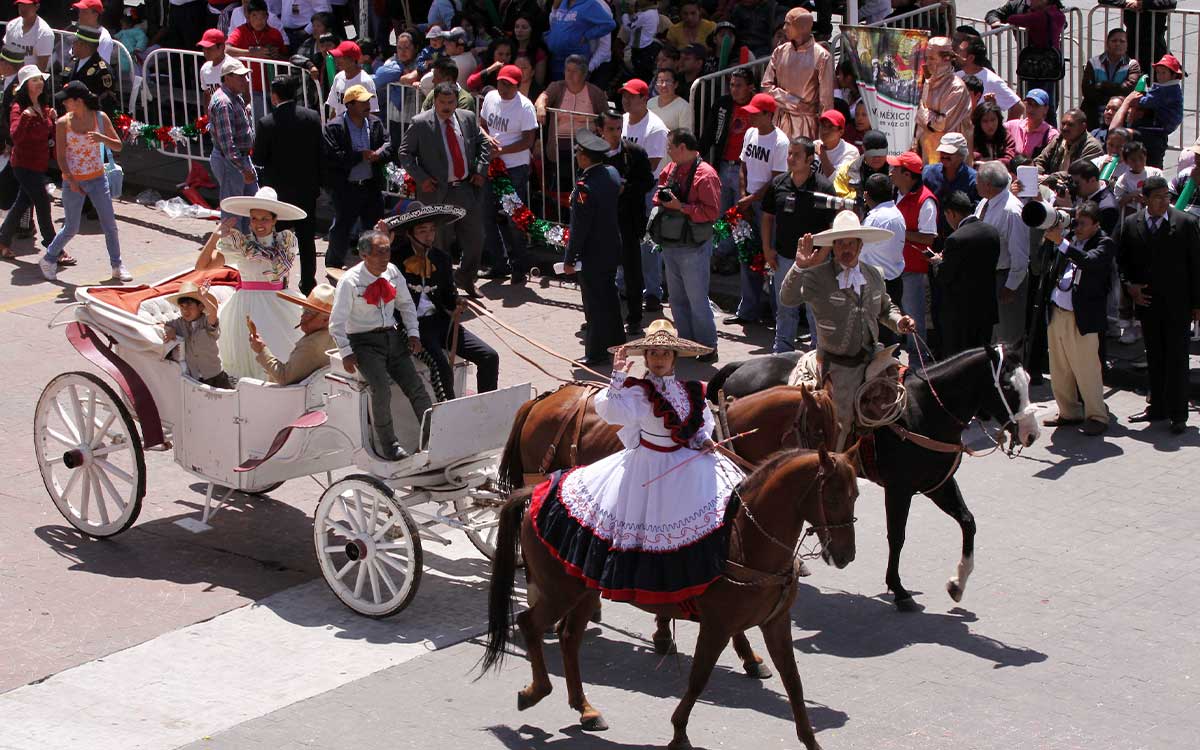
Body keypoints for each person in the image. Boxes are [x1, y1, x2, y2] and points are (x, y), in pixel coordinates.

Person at [528, 320, 744, 606]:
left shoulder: (688, 390)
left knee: (731, 497)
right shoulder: (636, 392)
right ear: (645, 357)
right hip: (648, 466)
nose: (658, 359)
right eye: (653, 353)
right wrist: (616, 377)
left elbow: (700, 422)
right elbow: (612, 412)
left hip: (687, 461)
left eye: (665, 353)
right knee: (653, 526)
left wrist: (703, 439)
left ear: (674, 357)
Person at [779, 210, 916, 449]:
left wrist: (899, 321)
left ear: (860, 245)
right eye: (840, 243)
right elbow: (787, 299)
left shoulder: (874, 274)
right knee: (840, 421)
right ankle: (834, 466)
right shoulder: (816, 276)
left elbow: (885, 308)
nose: (845, 248)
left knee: (905, 397)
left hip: (874, 356)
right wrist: (799, 267)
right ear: (833, 247)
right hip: (839, 364)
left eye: (850, 243)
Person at [329, 228, 433, 461]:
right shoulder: (349, 282)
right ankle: (390, 445)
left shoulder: (393, 272)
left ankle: (432, 436)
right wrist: (346, 352)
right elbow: (336, 323)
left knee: (415, 386)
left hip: (393, 338)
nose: (385, 258)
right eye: (379, 253)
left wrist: (414, 334)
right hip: (364, 343)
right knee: (381, 389)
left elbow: (406, 305)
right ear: (364, 255)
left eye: (387, 252)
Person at [386, 203, 499, 399]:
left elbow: (448, 295)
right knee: (442, 368)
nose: (429, 236)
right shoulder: (392, 261)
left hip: (441, 323)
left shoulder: (442, 259)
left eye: (432, 230)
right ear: (410, 234)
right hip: (410, 328)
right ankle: (448, 416)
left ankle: (486, 409)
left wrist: (456, 300)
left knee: (489, 356)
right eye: (422, 231)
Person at [1118, 176, 1200, 435]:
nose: (1164, 201)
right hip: (1148, 303)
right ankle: (1157, 407)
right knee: (1154, 357)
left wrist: (1197, 304)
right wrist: (1130, 287)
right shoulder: (1132, 225)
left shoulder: (1185, 223)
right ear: (1146, 199)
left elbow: (1196, 266)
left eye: (1167, 196)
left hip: (1178, 305)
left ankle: (1178, 415)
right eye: (1158, 197)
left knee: (1177, 359)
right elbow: (1123, 263)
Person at [195, 190, 305, 379]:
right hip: (245, 308)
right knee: (247, 359)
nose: (258, 224)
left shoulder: (286, 242)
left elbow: (280, 272)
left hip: (279, 303)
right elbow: (201, 267)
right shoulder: (240, 245)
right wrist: (215, 237)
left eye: (264, 219)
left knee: (285, 357)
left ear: (274, 220)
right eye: (254, 218)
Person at [400, 81, 490, 298]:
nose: (447, 107)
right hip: (436, 192)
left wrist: (480, 169)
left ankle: (466, 278)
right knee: (439, 243)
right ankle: (444, 286)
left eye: (451, 102)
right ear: (435, 101)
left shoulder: (467, 118)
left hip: (465, 189)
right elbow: (405, 153)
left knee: (476, 238)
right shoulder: (421, 123)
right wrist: (421, 178)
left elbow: (483, 143)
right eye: (442, 102)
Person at [37, 80, 128, 282]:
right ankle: (49, 258)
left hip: (97, 179)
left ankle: (117, 265)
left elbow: (118, 146)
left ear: (78, 101)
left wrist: (102, 139)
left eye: (67, 101)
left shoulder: (100, 118)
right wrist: (71, 180)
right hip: (73, 182)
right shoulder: (63, 123)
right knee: (71, 227)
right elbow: (60, 157)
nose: (64, 104)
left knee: (109, 224)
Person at [1039, 202, 1115, 437]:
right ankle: (1069, 411)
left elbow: (1090, 262)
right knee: (1059, 367)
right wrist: (1052, 241)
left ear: (1096, 224)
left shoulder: (1104, 243)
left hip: (1082, 317)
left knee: (1087, 368)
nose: (1077, 227)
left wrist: (1061, 243)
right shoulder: (1069, 238)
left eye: (1083, 223)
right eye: (1076, 222)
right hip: (1058, 311)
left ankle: (1096, 415)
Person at [652, 128, 722, 362]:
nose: (668, 151)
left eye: (670, 147)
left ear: (682, 147)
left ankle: (708, 347)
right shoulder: (671, 169)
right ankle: (686, 344)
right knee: (676, 299)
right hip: (671, 244)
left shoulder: (706, 174)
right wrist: (664, 199)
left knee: (697, 299)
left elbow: (711, 213)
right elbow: (657, 195)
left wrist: (681, 207)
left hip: (694, 247)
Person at [761, 136, 837, 353]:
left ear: (810, 159)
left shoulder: (824, 187)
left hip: (817, 260)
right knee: (785, 305)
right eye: (789, 154)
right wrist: (767, 248)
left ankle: (818, 352)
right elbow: (767, 217)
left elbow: (833, 226)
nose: (791, 158)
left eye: (797, 155)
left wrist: (823, 254)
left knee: (815, 309)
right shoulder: (778, 184)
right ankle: (783, 350)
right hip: (784, 257)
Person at [252, 75, 322, 294]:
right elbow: (320, 152)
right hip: (305, 190)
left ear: (274, 96)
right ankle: (309, 283)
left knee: (277, 239)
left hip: (279, 194)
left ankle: (278, 280)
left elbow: (259, 159)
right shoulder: (311, 117)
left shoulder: (267, 123)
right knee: (306, 239)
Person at [562, 129, 625, 367]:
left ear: (586, 158)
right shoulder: (611, 173)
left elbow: (579, 228)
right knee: (610, 298)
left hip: (593, 253)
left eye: (579, 152)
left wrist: (570, 258)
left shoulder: (584, 188)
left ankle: (597, 352)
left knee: (594, 304)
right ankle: (617, 342)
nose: (577, 156)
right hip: (611, 246)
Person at [726, 92, 787, 328]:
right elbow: (743, 166)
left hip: (767, 207)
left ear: (768, 115)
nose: (750, 117)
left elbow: (775, 180)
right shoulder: (750, 133)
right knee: (747, 255)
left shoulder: (780, 142)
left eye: (755, 114)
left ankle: (775, 313)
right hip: (748, 203)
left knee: (770, 258)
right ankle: (748, 310)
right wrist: (743, 196)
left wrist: (750, 199)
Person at [320, 84, 390, 271]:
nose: (367, 105)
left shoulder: (375, 123)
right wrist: (360, 156)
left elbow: (388, 144)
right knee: (342, 227)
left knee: (373, 229)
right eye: (362, 102)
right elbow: (333, 156)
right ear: (349, 105)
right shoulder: (334, 127)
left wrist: (378, 155)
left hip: (370, 186)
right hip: (346, 187)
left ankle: (372, 264)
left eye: (368, 101)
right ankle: (333, 264)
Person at [479, 64, 537, 285]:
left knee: (514, 217)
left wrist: (501, 151)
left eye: (508, 85)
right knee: (487, 214)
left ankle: (519, 266)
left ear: (517, 86)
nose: (503, 88)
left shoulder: (525, 107)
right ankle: (498, 263)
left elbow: (528, 140)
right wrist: (488, 139)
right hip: (491, 165)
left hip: (514, 167)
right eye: (501, 82)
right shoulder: (491, 98)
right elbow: (482, 125)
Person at [599, 109, 654, 336]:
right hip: (602, 221)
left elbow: (647, 181)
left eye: (619, 128)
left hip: (628, 221)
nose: (615, 133)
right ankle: (599, 315)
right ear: (600, 130)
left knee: (632, 271)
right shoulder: (594, 153)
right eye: (610, 129)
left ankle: (634, 318)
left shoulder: (635, 153)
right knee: (601, 271)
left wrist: (626, 189)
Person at [621, 78, 670, 312]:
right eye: (624, 95)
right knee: (623, 236)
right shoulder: (620, 121)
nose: (626, 99)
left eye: (631, 95)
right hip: (623, 187)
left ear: (644, 99)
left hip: (646, 188)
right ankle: (623, 285)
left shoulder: (656, 127)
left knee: (648, 240)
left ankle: (652, 292)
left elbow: (650, 165)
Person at [938, 190, 1002, 357]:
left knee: (961, 359)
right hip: (986, 308)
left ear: (951, 213)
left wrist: (939, 263)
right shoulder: (992, 232)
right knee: (982, 356)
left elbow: (946, 276)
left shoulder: (955, 239)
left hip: (961, 313)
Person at [0, 64, 53, 263]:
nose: (39, 83)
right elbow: (16, 136)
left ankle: (3, 240)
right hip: (24, 165)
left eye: (40, 79)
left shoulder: (44, 106)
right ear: (25, 86)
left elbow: (46, 134)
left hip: (39, 164)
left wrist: (52, 120)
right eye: (34, 80)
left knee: (22, 203)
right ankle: (53, 246)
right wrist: (24, 118)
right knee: (43, 202)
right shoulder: (18, 108)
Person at [974, 160, 1029, 347]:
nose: (975, 183)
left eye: (978, 180)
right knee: (990, 335)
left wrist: (1011, 286)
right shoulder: (984, 203)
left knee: (1008, 337)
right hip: (986, 277)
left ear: (987, 185)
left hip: (1005, 278)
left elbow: (1020, 255)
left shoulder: (1012, 211)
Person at [889, 151, 937, 361]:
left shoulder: (926, 201)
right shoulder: (894, 192)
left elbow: (928, 238)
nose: (891, 173)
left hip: (912, 270)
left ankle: (919, 363)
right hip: (893, 267)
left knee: (914, 319)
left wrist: (898, 231)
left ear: (907, 175)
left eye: (896, 169)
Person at [535, 55, 606, 192]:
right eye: (567, 70)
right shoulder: (557, 87)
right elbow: (542, 98)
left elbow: (605, 117)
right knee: (560, 188)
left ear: (584, 74)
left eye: (575, 71)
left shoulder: (595, 92)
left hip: (585, 149)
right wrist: (541, 107)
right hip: (559, 149)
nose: (569, 74)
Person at [760, 7, 833, 140]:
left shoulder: (822, 56)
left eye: (788, 23)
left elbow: (826, 103)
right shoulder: (779, 51)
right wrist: (792, 101)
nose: (784, 27)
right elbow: (766, 87)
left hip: (806, 126)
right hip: (779, 121)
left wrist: (823, 138)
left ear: (801, 26)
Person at [208, 56, 258, 231]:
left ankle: (245, 248)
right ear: (227, 78)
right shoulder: (224, 103)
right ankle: (233, 253)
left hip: (239, 159)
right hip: (231, 162)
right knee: (233, 213)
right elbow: (227, 144)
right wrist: (243, 169)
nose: (246, 80)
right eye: (241, 76)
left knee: (250, 207)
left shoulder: (235, 97)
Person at [249, 284, 336, 385]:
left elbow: (284, 377)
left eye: (308, 313)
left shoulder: (311, 345)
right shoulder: (335, 334)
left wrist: (261, 350)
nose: (302, 316)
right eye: (303, 310)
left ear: (325, 320)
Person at [860, 172, 908, 346]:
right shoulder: (897, 214)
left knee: (876, 340)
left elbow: (860, 250)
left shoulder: (875, 219)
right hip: (893, 282)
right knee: (887, 338)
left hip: (877, 285)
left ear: (866, 194)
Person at [1115, 53, 1185, 169]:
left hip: (1163, 124)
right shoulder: (1165, 87)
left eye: (1164, 73)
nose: (1160, 76)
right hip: (1159, 124)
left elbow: (1150, 101)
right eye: (1158, 72)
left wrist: (1136, 100)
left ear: (1173, 75)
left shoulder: (1168, 89)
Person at [225, 0, 288, 123]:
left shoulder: (274, 34)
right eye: (254, 16)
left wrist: (278, 55)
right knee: (260, 123)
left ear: (267, 16)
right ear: (248, 17)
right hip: (252, 88)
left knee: (277, 123)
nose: (259, 20)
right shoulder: (240, 31)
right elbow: (226, 49)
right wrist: (251, 53)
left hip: (273, 87)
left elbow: (285, 57)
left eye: (262, 16)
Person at [164, 281, 233, 390]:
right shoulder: (178, 323)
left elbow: (213, 314)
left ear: (201, 307)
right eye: (182, 307)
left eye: (190, 305)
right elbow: (163, 325)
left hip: (215, 375)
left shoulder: (206, 321)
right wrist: (170, 329)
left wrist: (204, 297)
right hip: (194, 377)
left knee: (227, 401)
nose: (185, 310)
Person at [913, 36, 971, 165]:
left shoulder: (956, 87)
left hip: (951, 158)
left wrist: (922, 113)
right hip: (927, 153)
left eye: (932, 58)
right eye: (927, 58)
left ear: (946, 59)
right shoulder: (928, 83)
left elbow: (941, 123)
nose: (928, 63)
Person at [1007, 0, 1067, 123]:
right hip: (1052, 63)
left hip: (1037, 66)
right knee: (1050, 103)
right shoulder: (1058, 14)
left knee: (1036, 101)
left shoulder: (1038, 17)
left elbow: (1013, 19)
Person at [1081, 28, 1141, 131]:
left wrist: (1102, 85)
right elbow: (1087, 91)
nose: (1118, 44)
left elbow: (1128, 89)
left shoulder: (1133, 65)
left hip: (1120, 108)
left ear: (1127, 45)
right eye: (1114, 41)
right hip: (1095, 108)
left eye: (1122, 41)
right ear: (1107, 43)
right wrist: (1112, 93)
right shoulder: (1093, 62)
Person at [955, 34, 1023, 120]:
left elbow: (1018, 107)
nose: (956, 54)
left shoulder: (992, 80)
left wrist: (1006, 130)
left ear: (971, 58)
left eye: (960, 51)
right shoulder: (957, 76)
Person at [545, 0, 615, 79]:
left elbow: (609, 24)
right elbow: (557, 26)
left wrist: (587, 35)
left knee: (572, 89)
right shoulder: (563, 3)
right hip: (557, 59)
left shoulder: (591, 4)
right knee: (558, 89)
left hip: (575, 60)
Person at [1033, 108, 1103, 185]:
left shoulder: (1092, 146)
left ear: (1083, 127)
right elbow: (1040, 160)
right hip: (1052, 187)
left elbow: (1078, 173)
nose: (1065, 128)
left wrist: (1050, 178)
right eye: (1063, 123)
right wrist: (1036, 174)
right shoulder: (1058, 139)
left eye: (1070, 125)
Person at [64, 24, 117, 119]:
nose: (73, 45)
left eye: (75, 42)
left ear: (85, 46)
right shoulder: (72, 63)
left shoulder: (102, 71)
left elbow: (106, 104)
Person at [325, 41, 378, 118]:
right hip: (340, 127)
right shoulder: (338, 77)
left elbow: (372, 111)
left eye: (341, 57)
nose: (337, 61)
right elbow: (334, 108)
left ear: (352, 59)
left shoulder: (366, 81)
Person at [1067, 159, 1120, 236]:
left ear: (1092, 180)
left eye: (1077, 183)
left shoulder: (1107, 208)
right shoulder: (1081, 192)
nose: (1073, 186)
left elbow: (1092, 240)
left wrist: (1071, 211)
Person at [1005, 88, 1058, 159]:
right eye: (1029, 104)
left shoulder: (1051, 135)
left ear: (1046, 109)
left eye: (1036, 105)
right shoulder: (1012, 126)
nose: (1031, 109)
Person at [4, 0, 53, 70]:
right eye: (20, 5)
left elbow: (42, 65)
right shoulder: (11, 25)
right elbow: (6, 54)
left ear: (37, 6)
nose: (22, 8)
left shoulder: (44, 32)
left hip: (30, 77)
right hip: (10, 74)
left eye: (27, 5)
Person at [814, 108, 857, 182]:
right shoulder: (814, 145)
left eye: (830, 127)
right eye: (823, 126)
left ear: (841, 132)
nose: (825, 131)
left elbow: (838, 182)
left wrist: (822, 155)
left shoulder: (850, 152)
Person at [972, 100, 1017, 167]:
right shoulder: (972, 137)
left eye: (993, 120)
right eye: (985, 121)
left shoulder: (1006, 136)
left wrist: (993, 163)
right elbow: (970, 157)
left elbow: (1009, 158)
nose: (990, 125)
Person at [648, 67, 692, 133]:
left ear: (675, 85)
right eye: (660, 81)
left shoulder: (684, 106)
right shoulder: (650, 102)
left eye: (668, 81)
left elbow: (685, 136)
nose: (664, 85)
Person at [197, 29, 230, 96]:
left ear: (222, 47)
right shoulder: (204, 69)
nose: (205, 52)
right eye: (203, 48)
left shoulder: (233, 66)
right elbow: (207, 94)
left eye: (209, 48)